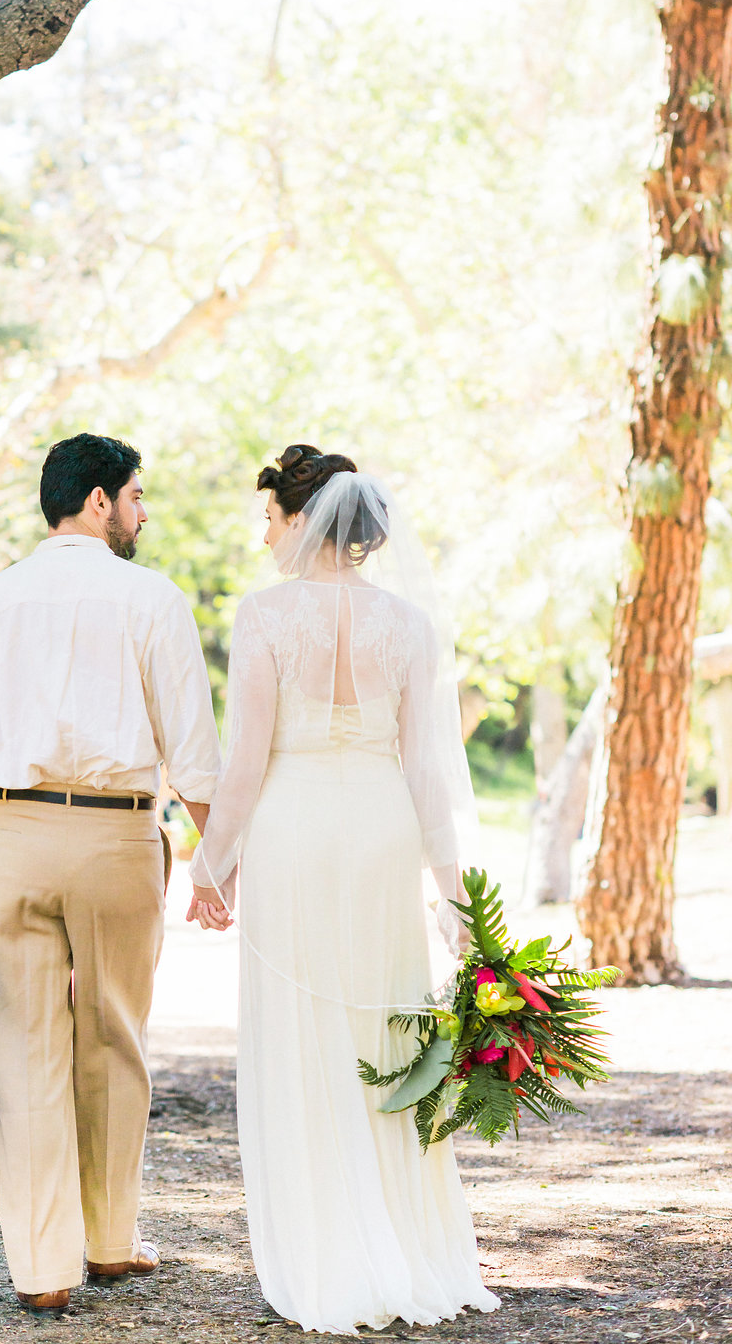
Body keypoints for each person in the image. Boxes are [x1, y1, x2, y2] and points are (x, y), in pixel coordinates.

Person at [186, 444, 501, 1334]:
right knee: (383, 1021)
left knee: (304, 1029)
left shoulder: (266, 616)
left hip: (292, 829)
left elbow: (245, 761)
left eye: (271, 519)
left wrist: (209, 868)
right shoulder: (406, 624)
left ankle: (328, 1247)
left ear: (301, 518)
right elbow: (430, 771)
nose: (268, 538)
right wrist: (454, 899)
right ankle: (404, 1240)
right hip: (381, 829)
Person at [0, 433, 220, 1316]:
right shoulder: (153, 599)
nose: (142, 512)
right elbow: (195, 757)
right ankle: (110, 1239)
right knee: (115, 1038)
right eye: (136, 496)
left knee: (26, 1055)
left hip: (12, 837)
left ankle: (42, 1267)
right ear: (97, 501)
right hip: (119, 837)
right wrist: (223, 864)